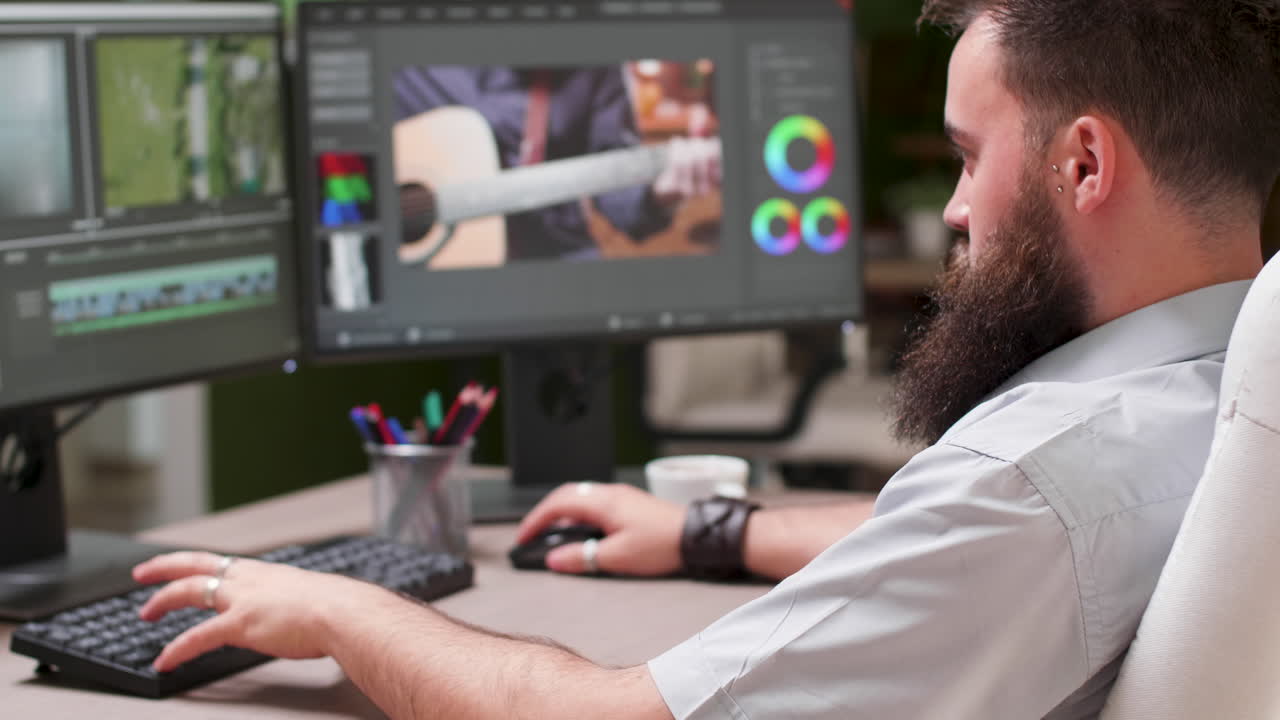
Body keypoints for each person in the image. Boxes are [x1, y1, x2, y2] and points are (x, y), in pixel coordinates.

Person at [132, 1, 1278, 717]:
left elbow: (610, 719)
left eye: (969, 155)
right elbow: (1005, 552)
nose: (958, 207)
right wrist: (710, 530)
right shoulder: (1221, 396)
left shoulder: (1033, 484)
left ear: (1083, 164)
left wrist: (345, 614)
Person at [393, 65, 722, 262]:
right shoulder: (402, 57)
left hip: (555, 260)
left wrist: (660, 192)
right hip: (426, 276)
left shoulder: (590, 63)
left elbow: (616, 194)